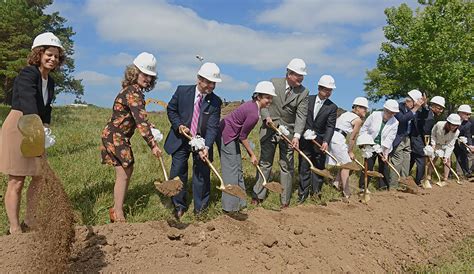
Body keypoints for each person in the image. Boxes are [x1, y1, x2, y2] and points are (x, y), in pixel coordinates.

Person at [0, 32, 65, 234]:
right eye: (49, 54)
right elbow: (28, 100)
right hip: (20, 125)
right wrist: (38, 127)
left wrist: (45, 125)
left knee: (38, 176)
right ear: (39, 53)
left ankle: (30, 220)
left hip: (35, 126)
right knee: (17, 179)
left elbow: (47, 107)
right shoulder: (29, 74)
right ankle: (14, 227)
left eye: (56, 56)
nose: (52, 59)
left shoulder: (50, 81)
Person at [100, 52, 161, 223]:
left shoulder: (133, 91)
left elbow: (136, 118)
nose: (147, 79)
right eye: (144, 74)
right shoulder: (133, 93)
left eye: (150, 76)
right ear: (135, 72)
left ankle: (117, 209)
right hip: (116, 136)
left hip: (116, 135)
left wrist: (149, 126)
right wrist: (153, 144)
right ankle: (117, 212)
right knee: (125, 170)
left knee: (126, 170)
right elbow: (140, 120)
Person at [164, 62, 222, 219]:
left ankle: (200, 209)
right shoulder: (182, 91)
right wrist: (179, 125)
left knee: (202, 173)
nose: (211, 86)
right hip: (180, 139)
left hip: (201, 142)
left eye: (214, 83)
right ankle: (178, 206)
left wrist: (207, 147)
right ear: (199, 79)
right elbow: (171, 109)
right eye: (208, 82)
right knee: (177, 172)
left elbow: (212, 127)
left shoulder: (215, 102)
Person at [252, 58, 309, 209]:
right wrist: (266, 117)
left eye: (302, 76)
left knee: (287, 166)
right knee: (265, 163)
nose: (301, 78)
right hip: (269, 128)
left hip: (288, 133)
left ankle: (284, 200)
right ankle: (258, 195)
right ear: (289, 73)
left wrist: (296, 136)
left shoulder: (304, 92)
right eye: (298, 75)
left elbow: (301, 116)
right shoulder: (273, 83)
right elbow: (262, 103)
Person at [219, 81, 276, 213]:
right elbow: (242, 136)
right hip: (226, 135)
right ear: (258, 96)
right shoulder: (253, 114)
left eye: (271, 97)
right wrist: (252, 154)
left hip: (233, 135)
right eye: (267, 97)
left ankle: (241, 203)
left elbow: (240, 135)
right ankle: (230, 208)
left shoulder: (253, 107)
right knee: (231, 172)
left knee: (238, 168)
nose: (270, 101)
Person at [298, 75, 338, 202]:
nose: (328, 93)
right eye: (326, 90)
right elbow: (300, 117)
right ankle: (302, 195)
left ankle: (316, 195)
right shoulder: (307, 100)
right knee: (304, 167)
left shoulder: (332, 107)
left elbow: (330, 126)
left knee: (319, 168)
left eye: (330, 90)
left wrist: (326, 141)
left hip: (320, 142)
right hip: (304, 140)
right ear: (319, 88)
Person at [327, 97, 368, 198]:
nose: (365, 111)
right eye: (364, 108)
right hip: (338, 139)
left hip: (331, 136)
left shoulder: (345, 114)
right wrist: (350, 151)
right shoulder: (358, 120)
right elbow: (353, 138)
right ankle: (346, 191)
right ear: (357, 107)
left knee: (343, 161)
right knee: (347, 165)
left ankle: (336, 183)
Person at [358, 99, 399, 190]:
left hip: (383, 147)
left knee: (384, 166)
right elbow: (364, 128)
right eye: (390, 112)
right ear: (385, 110)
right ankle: (363, 187)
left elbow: (390, 138)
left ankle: (383, 187)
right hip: (370, 145)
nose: (391, 115)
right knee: (368, 165)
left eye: (393, 113)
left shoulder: (395, 122)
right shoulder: (375, 115)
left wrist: (385, 153)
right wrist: (364, 142)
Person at [389, 90, 424, 187]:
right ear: (409, 101)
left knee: (406, 162)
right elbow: (403, 119)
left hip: (407, 138)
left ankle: (404, 184)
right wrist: (415, 108)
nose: (413, 106)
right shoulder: (398, 107)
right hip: (398, 138)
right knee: (397, 161)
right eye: (413, 103)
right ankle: (393, 186)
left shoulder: (414, 110)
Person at [409, 95, 445, 186]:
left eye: (442, 109)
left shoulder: (428, 114)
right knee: (421, 160)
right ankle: (419, 181)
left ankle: (405, 178)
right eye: (439, 108)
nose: (441, 111)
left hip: (417, 139)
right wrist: (428, 144)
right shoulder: (429, 116)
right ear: (433, 106)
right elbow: (425, 131)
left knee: (412, 160)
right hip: (419, 141)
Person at [428, 114, 461, 185]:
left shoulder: (456, 132)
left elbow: (450, 145)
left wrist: (445, 156)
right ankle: (429, 176)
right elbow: (433, 134)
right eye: (453, 125)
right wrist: (433, 145)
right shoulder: (439, 124)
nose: (454, 127)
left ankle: (445, 179)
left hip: (445, 146)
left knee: (447, 160)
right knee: (432, 159)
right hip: (436, 144)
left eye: (456, 125)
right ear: (448, 123)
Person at [453, 105, 472, 178]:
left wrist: (470, 145)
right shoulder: (452, 118)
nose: (469, 116)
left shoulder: (468, 124)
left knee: (462, 154)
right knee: (447, 157)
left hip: (458, 142)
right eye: (467, 114)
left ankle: (464, 172)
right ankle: (448, 174)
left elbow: (468, 135)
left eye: (469, 114)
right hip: (446, 140)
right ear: (460, 113)